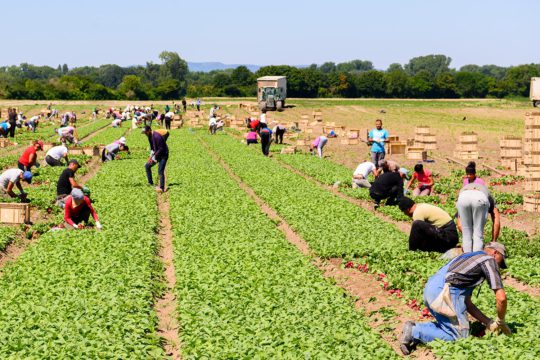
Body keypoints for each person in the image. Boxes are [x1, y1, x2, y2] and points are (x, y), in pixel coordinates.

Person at [400, 242, 510, 355]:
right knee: (460, 339)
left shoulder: (469, 258)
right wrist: (500, 321)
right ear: (495, 253)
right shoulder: (489, 260)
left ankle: (414, 327)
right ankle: (415, 332)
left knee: (449, 326)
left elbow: (467, 303)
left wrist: (489, 322)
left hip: (431, 290)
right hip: (445, 294)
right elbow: (501, 299)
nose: (499, 266)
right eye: (501, 261)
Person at [457, 183, 500, 253]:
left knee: (466, 235)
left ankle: (467, 260)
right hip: (480, 198)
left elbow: (459, 224)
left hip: (462, 198)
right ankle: (477, 260)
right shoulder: (489, 197)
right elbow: (496, 221)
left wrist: (470, 236)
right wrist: (494, 241)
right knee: (478, 234)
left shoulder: (464, 190)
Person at [142, 126, 169, 193]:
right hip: (157, 154)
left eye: (145, 132)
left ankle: (162, 188)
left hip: (163, 155)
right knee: (147, 166)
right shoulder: (149, 137)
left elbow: (161, 149)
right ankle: (150, 183)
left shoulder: (157, 136)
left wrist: (154, 157)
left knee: (160, 171)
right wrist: (151, 156)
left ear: (149, 130)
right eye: (144, 133)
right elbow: (152, 148)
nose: (145, 134)